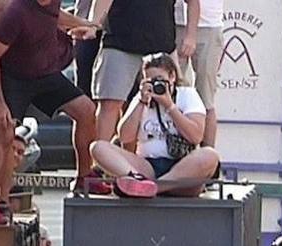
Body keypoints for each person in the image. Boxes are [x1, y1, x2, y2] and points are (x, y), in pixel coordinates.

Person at [0, 0, 109, 200]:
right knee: (5, 134)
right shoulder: (16, 12)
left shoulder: (51, 4)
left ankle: (84, 177)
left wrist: (82, 23)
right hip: (14, 78)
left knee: (86, 110)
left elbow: (56, 14)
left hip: (45, 74)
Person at [91, 52, 220, 197]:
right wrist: (141, 102)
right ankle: (138, 181)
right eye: (150, 81)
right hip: (147, 167)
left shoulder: (187, 95)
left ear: (172, 77)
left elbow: (195, 136)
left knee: (210, 155)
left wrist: (170, 106)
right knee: (98, 147)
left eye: (160, 80)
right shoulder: (141, 98)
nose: (156, 85)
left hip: (182, 169)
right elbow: (125, 137)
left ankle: (153, 188)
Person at [91, 0, 181, 141]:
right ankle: (102, 157)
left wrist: (191, 36)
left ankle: (134, 160)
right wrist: (93, 25)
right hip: (119, 43)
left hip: (163, 45)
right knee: (110, 104)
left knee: (171, 101)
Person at [174, 0, 222, 147]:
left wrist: (191, 35)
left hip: (209, 24)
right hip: (174, 21)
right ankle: (173, 155)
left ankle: (208, 160)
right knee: (172, 93)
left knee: (205, 98)